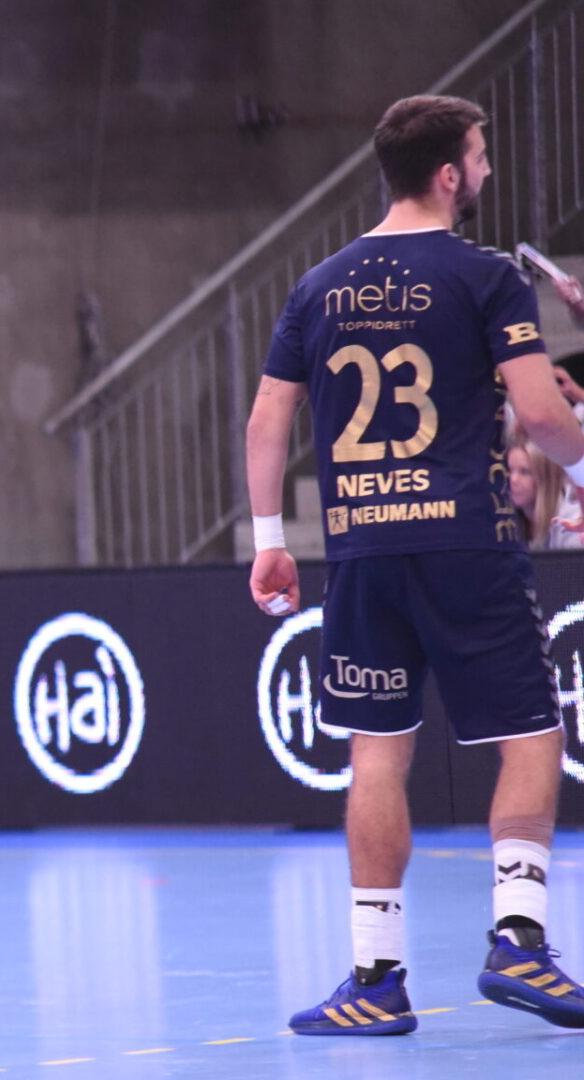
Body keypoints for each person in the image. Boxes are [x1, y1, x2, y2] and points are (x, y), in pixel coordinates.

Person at [247, 94, 584, 1035]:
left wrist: (271, 538)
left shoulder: (317, 286)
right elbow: (543, 415)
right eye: (479, 155)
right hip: (466, 543)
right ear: (448, 174)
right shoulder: (485, 278)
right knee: (530, 737)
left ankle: (375, 977)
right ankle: (518, 939)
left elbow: (268, 417)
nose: (485, 169)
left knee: (376, 756)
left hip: (361, 549)